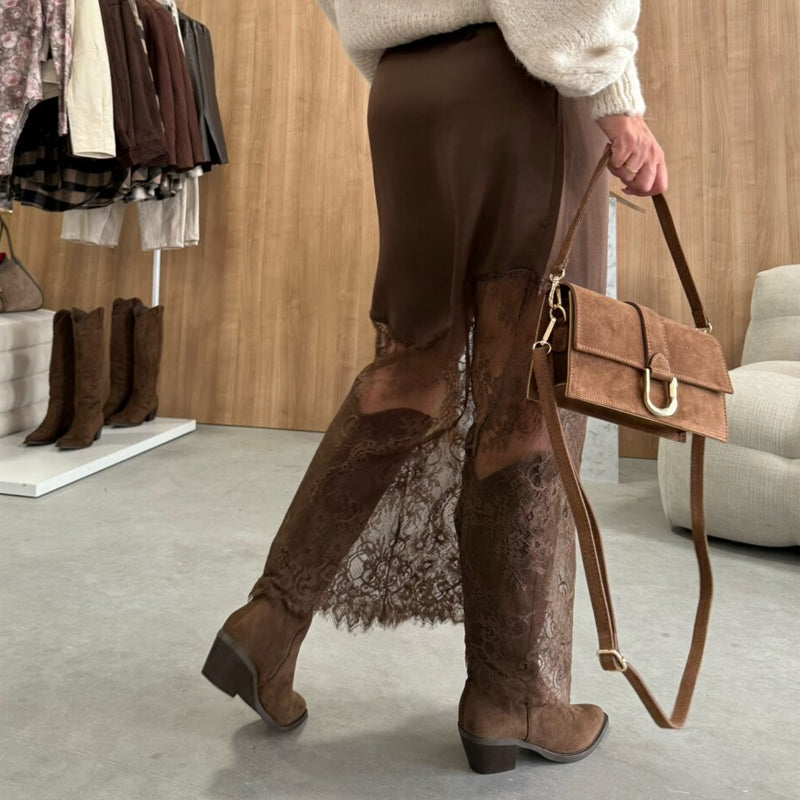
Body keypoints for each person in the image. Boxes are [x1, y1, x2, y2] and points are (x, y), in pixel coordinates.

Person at [202, 0, 667, 775]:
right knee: (527, 387)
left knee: (411, 364)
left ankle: (271, 619)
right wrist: (615, 95)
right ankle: (512, 696)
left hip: (406, 95)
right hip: (523, 89)